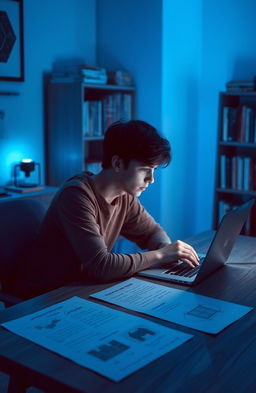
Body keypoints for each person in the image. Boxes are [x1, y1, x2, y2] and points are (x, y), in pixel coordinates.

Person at [11, 120, 199, 299]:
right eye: (144, 169)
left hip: (83, 289)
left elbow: (152, 232)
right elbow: (102, 267)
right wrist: (162, 255)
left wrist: (165, 250)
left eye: (154, 170)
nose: (151, 179)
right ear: (117, 163)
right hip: (46, 296)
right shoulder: (76, 195)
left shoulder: (125, 195)